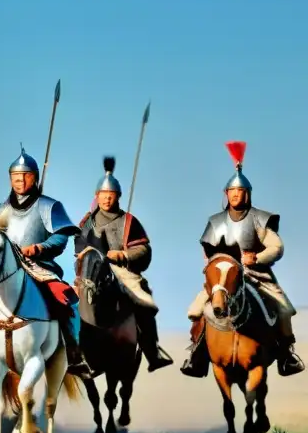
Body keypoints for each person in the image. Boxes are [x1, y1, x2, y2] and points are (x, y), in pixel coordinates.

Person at [0, 146, 95, 378]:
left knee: (68, 300)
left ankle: (74, 353)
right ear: (10, 178)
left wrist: (40, 247)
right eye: (15, 176)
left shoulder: (49, 206)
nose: (20, 180)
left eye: (25, 175)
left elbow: (61, 237)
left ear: (35, 177)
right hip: (4, 270)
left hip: (39, 266)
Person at [180, 141, 303, 378]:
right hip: (223, 278)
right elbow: (207, 251)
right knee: (196, 310)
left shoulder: (259, 219)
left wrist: (256, 257)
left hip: (256, 274)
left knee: (284, 308)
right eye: (232, 191)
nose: (236, 195)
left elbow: (277, 247)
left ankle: (287, 355)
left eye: (240, 191)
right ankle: (196, 354)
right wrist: (216, 266)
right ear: (226, 194)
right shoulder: (216, 221)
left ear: (247, 194)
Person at [75, 156, 173, 371]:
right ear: (96, 196)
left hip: (122, 272)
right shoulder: (87, 222)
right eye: (103, 195)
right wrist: (84, 258)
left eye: (110, 195)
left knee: (144, 301)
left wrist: (123, 255)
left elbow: (144, 249)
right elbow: (78, 246)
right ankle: (76, 353)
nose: (106, 199)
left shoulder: (129, 221)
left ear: (117, 196)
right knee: (70, 303)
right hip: (91, 272)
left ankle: (152, 350)